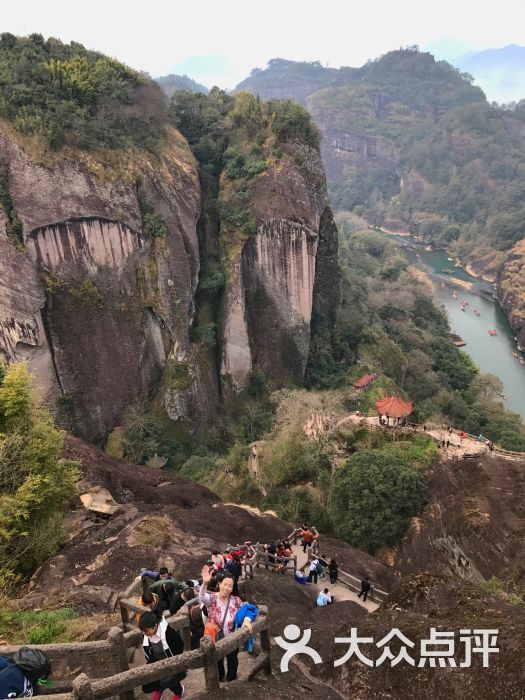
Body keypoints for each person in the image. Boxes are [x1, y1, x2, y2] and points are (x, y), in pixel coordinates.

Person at [199, 565, 252, 683]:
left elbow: (247, 610)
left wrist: (246, 619)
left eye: (230, 586)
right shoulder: (212, 598)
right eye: (225, 584)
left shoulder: (236, 600)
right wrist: (204, 583)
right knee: (218, 661)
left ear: (233, 588)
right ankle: (220, 677)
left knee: (233, 661)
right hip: (216, 639)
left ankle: (232, 679)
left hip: (232, 638)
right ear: (219, 584)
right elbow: (202, 598)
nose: (226, 588)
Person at [138, 612, 186, 700]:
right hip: (156, 659)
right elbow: (148, 650)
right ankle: (159, 687)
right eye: (143, 631)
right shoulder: (146, 635)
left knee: (169, 680)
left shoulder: (168, 632)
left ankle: (179, 691)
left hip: (169, 660)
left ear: (155, 625)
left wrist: (175, 661)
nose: (144, 633)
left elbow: (180, 644)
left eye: (146, 631)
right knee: (149, 683)